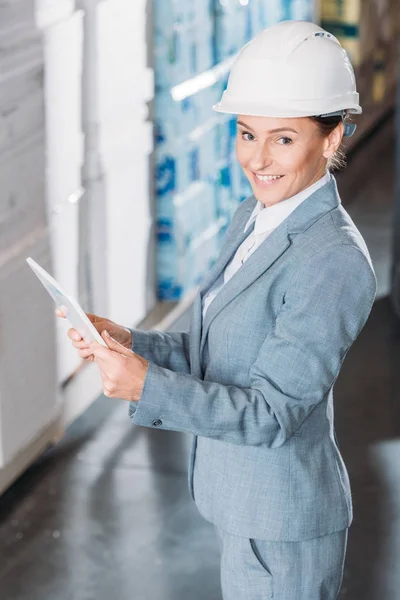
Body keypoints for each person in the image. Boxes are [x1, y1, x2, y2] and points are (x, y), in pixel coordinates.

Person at [58, 20, 377, 600]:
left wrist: (146, 387)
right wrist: (129, 342)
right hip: (246, 510)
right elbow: (214, 348)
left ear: (331, 139)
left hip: (283, 529)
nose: (257, 159)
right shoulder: (255, 217)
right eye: (247, 134)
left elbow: (270, 414)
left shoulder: (331, 261)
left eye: (283, 138)